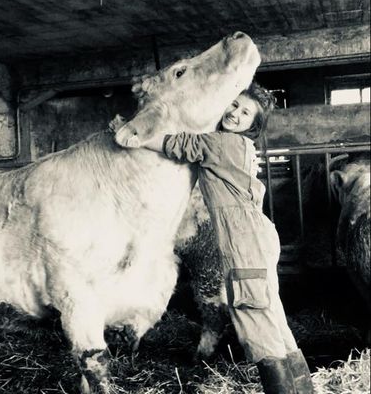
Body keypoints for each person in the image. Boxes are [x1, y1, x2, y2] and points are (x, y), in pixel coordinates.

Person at [115, 83, 314, 394]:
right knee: (272, 316)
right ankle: (303, 390)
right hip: (259, 235)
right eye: (233, 105)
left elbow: (175, 144)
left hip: (243, 241)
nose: (235, 114)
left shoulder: (221, 143)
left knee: (254, 319)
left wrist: (130, 133)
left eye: (245, 112)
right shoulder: (244, 149)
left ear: (254, 125)